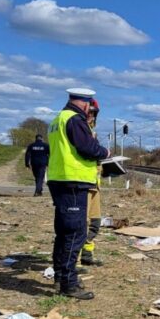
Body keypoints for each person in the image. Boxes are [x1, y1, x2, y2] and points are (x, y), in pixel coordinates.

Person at [46, 88, 109, 300]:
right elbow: (87, 148)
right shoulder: (74, 119)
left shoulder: (58, 119)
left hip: (60, 179)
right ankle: (69, 283)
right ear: (84, 103)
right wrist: (105, 152)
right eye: (89, 105)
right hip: (73, 182)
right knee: (75, 233)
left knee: (64, 232)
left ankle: (60, 276)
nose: (90, 109)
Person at [80, 99, 103, 267]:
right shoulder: (79, 131)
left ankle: (87, 254)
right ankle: (74, 261)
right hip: (82, 184)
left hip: (94, 184)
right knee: (81, 223)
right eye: (89, 112)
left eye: (93, 113)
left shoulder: (91, 132)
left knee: (94, 222)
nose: (91, 116)